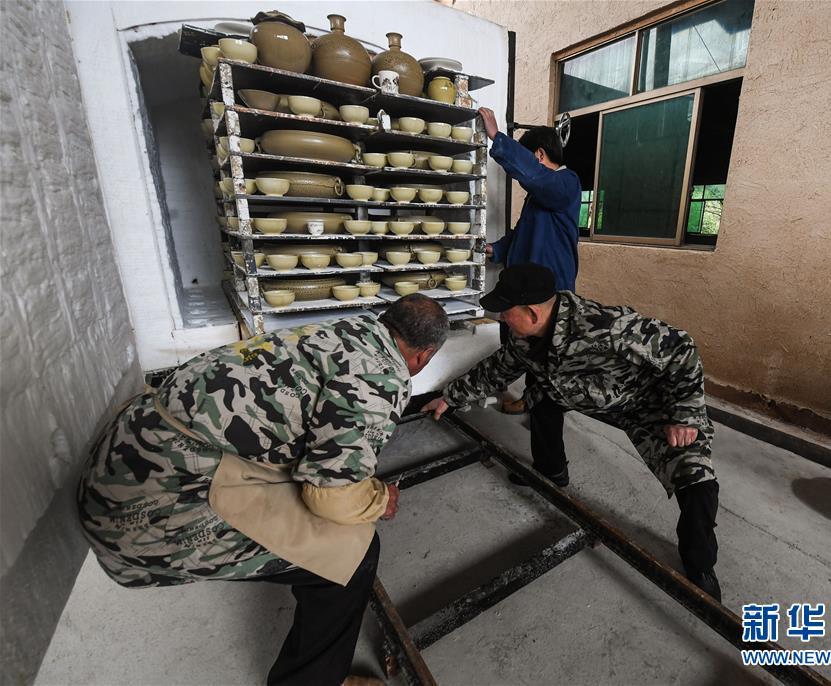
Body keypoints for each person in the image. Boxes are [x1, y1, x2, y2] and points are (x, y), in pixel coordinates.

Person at [77, 295, 450, 686]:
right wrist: (379, 499)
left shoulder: (344, 329)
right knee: (354, 554)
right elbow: (330, 496)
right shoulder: (384, 376)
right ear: (423, 356)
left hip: (123, 456)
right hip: (143, 509)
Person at [423, 264, 721, 600]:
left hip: (648, 404)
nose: (502, 318)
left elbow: (681, 348)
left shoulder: (606, 327)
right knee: (541, 395)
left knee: (696, 479)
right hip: (588, 395)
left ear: (532, 313)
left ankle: (699, 564)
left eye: (506, 311)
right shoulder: (524, 339)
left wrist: (685, 415)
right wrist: (450, 397)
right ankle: (552, 471)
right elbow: (496, 369)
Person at [478, 107, 581, 415]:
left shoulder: (566, 183)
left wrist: (498, 138)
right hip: (527, 288)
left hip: (550, 290)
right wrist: (495, 249)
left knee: (546, 356)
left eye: (525, 158)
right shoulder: (540, 195)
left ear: (538, 155)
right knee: (517, 342)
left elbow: (536, 178)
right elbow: (524, 232)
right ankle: (529, 398)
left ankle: (542, 407)